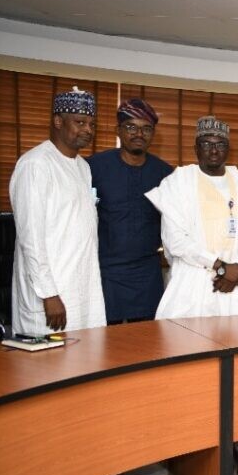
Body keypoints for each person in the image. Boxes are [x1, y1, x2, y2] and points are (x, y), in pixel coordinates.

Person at [146, 116, 238, 319]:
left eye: (220, 144)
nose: (214, 150)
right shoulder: (177, 183)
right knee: (187, 344)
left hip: (237, 281)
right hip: (193, 280)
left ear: (228, 148)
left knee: (237, 344)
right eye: (206, 144)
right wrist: (220, 266)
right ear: (195, 148)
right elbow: (175, 240)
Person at [10, 87, 105, 334]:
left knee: (85, 361)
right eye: (80, 122)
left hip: (81, 287)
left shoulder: (83, 167)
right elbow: (31, 238)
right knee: (47, 367)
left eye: (92, 124)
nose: (88, 130)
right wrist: (49, 294)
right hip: (50, 296)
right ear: (58, 121)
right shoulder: (36, 164)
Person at [87, 99, 173, 324]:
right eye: (131, 127)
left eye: (146, 129)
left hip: (147, 272)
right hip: (105, 271)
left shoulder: (165, 174)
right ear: (118, 130)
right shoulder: (93, 167)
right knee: (105, 343)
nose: (139, 134)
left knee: (147, 343)